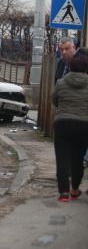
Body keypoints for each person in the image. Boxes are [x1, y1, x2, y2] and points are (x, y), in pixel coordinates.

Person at [51, 54, 88, 202]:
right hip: (84, 125)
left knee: (62, 158)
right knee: (78, 158)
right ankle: (74, 190)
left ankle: (63, 193)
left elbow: (54, 100)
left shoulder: (61, 83)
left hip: (63, 123)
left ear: (70, 66)